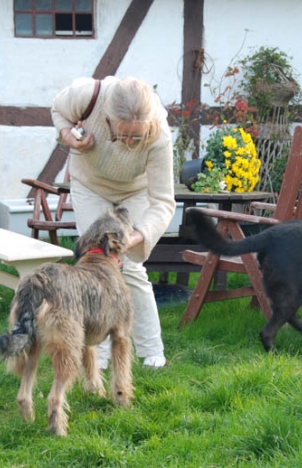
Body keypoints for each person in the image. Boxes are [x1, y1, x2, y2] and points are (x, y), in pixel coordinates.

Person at [51, 76, 176, 369]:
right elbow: (58, 110)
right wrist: (67, 135)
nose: (129, 143)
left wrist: (137, 236)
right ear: (108, 118)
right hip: (89, 186)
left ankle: (152, 350)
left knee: (130, 268)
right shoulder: (87, 95)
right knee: (97, 266)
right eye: (122, 135)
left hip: (134, 192)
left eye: (137, 137)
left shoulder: (160, 136)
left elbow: (163, 202)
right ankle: (101, 354)